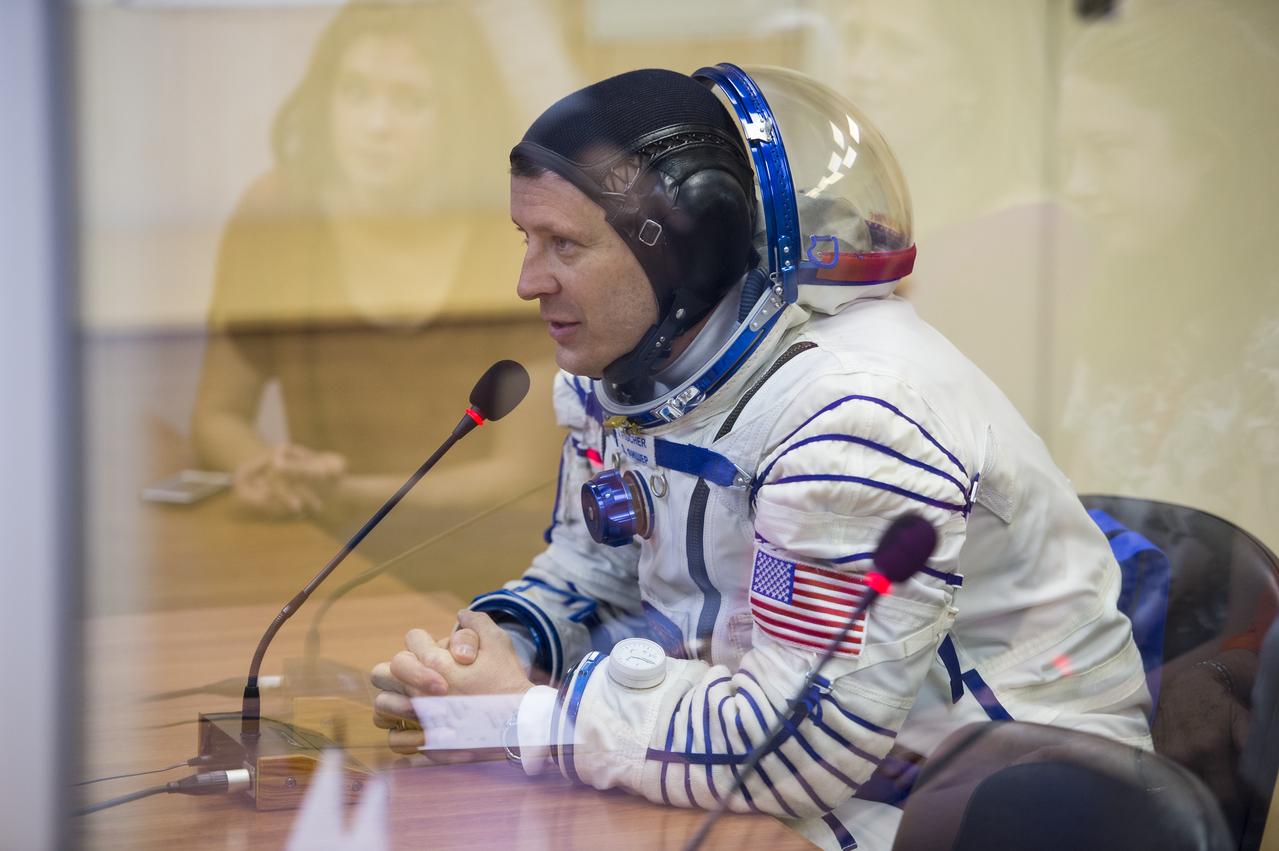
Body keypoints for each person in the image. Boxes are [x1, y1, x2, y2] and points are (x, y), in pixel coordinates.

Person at [370, 66, 1152, 850]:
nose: (526, 282)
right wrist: (493, 651)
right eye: (526, 239)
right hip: (831, 785)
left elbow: (801, 742)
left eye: (564, 244)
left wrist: (526, 718)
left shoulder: (854, 423)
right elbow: (598, 573)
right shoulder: (626, 378)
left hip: (996, 808)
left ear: (689, 249)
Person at [190, 2, 557, 548]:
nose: (376, 125)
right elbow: (217, 416)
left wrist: (341, 492)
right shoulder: (281, 210)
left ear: (461, 113)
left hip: (487, 558)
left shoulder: (515, 226)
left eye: (410, 100)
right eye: (355, 93)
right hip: (327, 548)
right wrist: (269, 473)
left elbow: (523, 474)